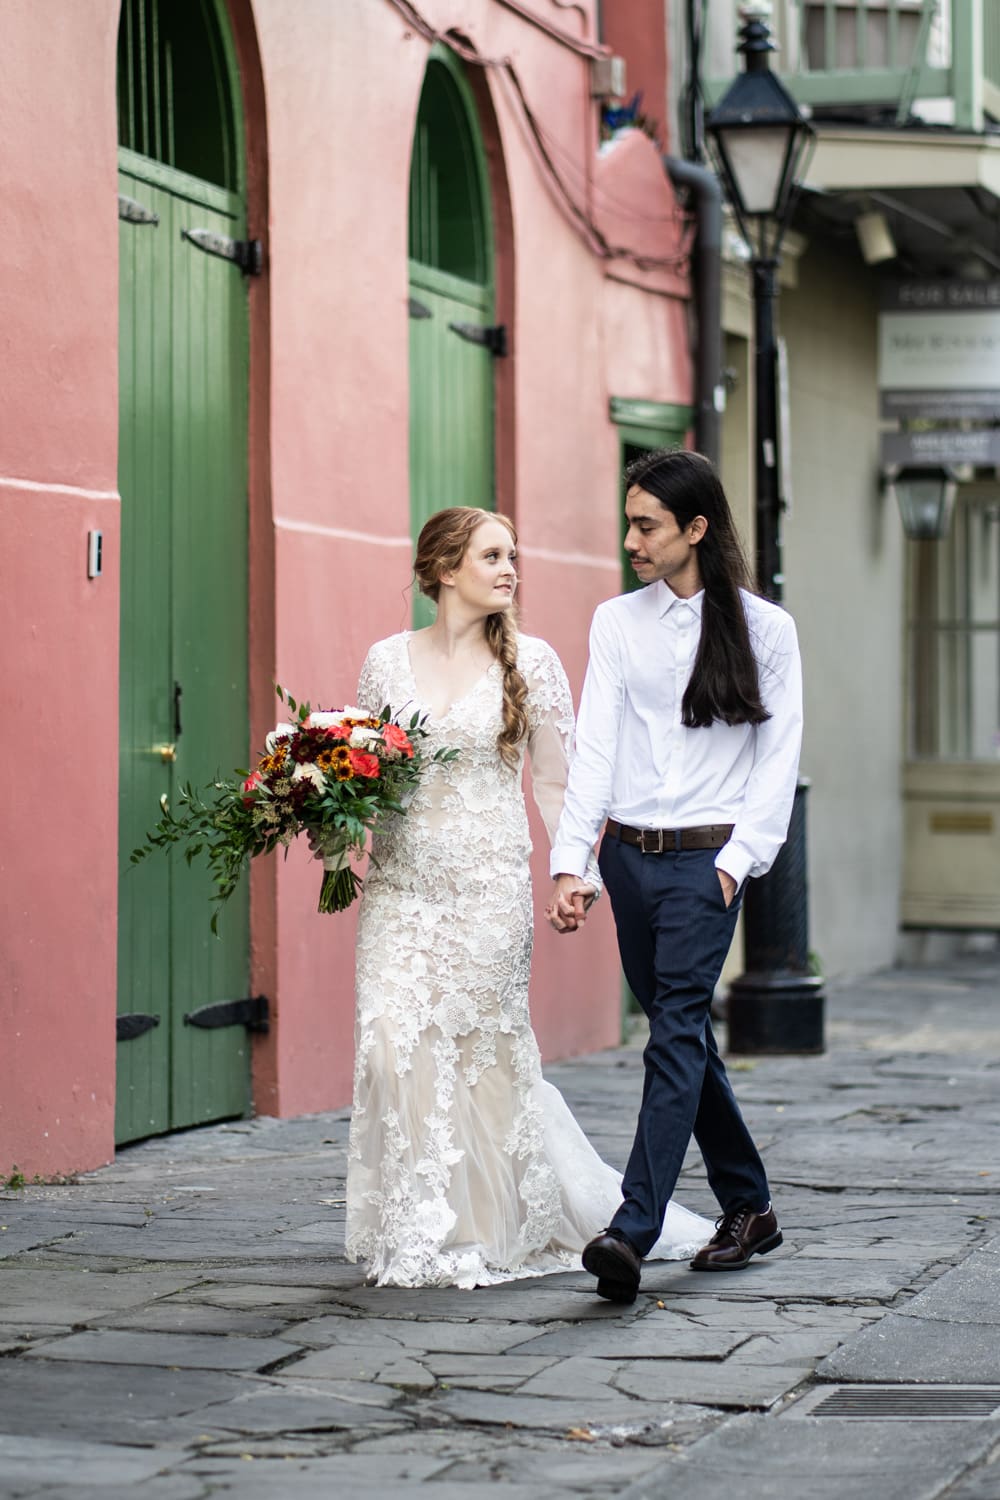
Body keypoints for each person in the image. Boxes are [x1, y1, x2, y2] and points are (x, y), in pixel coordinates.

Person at [344, 505, 712, 1288]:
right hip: (403, 888)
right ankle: (415, 1223)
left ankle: (482, 1227)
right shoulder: (385, 661)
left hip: (488, 887)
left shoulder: (533, 663)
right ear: (445, 570)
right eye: (492, 556)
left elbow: (557, 780)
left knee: (477, 1053)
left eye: (514, 556)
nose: (510, 569)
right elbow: (364, 770)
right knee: (389, 1047)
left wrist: (571, 869)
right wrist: (342, 841)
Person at [547, 448, 803, 1305]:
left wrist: (737, 865)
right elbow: (594, 749)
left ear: (696, 529)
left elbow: (778, 757)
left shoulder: (766, 630)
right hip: (630, 860)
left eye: (647, 525)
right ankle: (751, 1207)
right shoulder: (617, 623)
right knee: (682, 1035)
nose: (632, 540)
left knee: (674, 1032)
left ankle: (632, 1227)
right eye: (629, 522)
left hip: (708, 864)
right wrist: (573, 861)